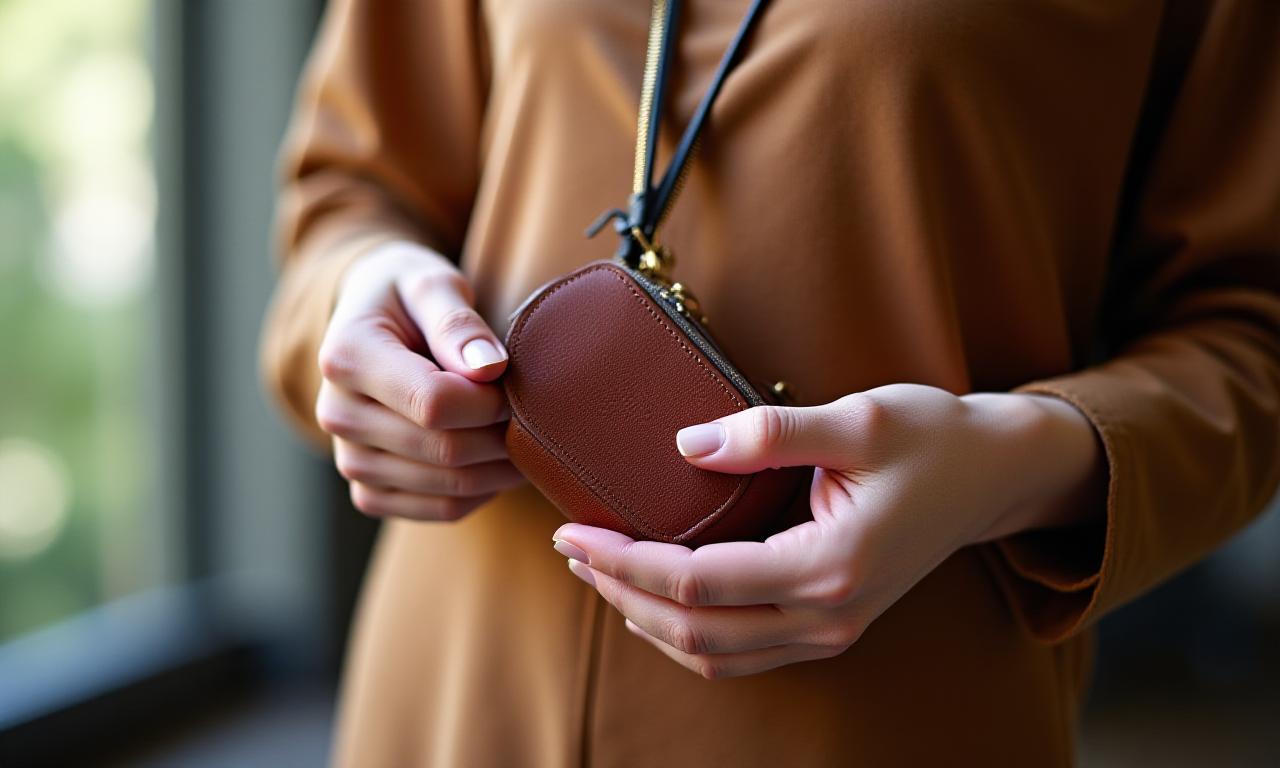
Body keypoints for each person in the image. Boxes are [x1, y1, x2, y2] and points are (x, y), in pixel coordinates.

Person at [260, 0, 1280, 765]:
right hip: (452, 693)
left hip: (883, 710)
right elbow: (353, 188)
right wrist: (359, 308)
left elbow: (1251, 332)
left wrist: (1014, 460)